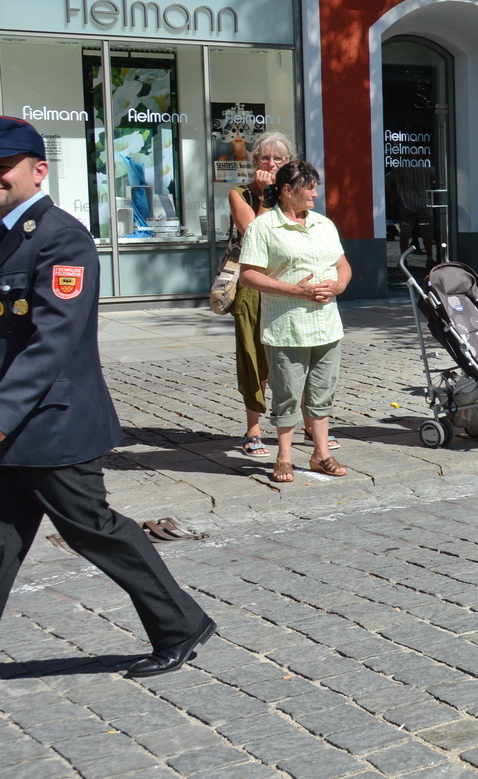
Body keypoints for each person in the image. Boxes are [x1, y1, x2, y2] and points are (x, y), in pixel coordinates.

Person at [0, 115, 215, 678]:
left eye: (3, 168)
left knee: (93, 529)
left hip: (52, 426)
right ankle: (180, 622)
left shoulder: (60, 237)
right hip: (15, 426)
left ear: (37, 170)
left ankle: (180, 623)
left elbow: (51, 341)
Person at [237, 160, 351, 484]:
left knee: (322, 392)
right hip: (287, 327)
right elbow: (247, 276)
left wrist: (340, 285)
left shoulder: (324, 225)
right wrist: (294, 290)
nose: (315, 193)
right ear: (287, 191)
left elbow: (342, 264)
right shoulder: (264, 227)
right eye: (309, 187)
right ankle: (284, 457)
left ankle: (320, 454)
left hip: (327, 324)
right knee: (286, 393)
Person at [228, 132, 295, 456]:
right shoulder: (239, 194)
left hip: (289, 285)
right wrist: (266, 198)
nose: (271, 164)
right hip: (252, 287)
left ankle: (307, 424)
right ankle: (253, 428)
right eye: (265, 158)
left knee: (297, 354)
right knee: (253, 359)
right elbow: (256, 235)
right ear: (255, 162)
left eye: (278, 159)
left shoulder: (294, 197)